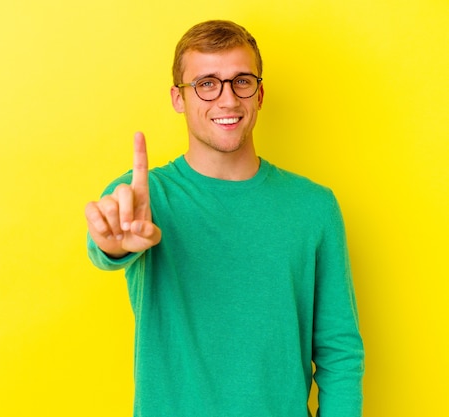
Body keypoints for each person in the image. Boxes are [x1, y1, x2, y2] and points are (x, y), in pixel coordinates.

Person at [85, 20, 364, 417]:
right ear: (178, 98)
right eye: (207, 83)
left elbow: (340, 352)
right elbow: (106, 242)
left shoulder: (314, 206)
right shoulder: (144, 197)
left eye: (241, 81)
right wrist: (112, 245)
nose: (227, 99)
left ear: (260, 93)